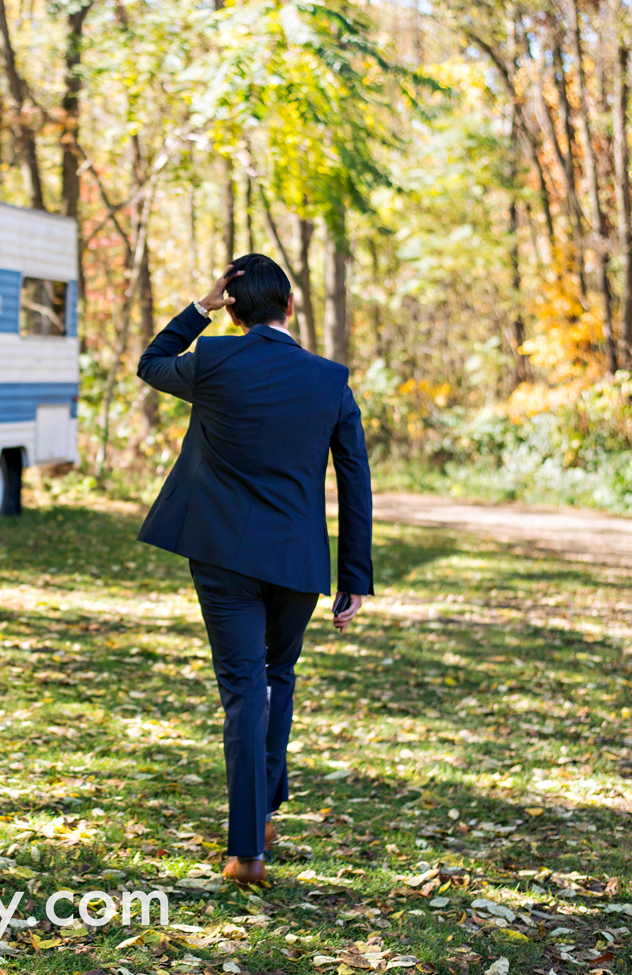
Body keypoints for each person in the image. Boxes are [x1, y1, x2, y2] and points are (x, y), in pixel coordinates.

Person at [135, 253, 374, 888]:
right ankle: (263, 812)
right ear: (290, 308)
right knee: (277, 677)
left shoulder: (213, 360)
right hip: (297, 562)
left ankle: (247, 851)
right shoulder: (329, 380)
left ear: (233, 309)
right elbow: (355, 479)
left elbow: (151, 363)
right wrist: (354, 576)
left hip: (220, 554)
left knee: (244, 691)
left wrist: (199, 310)